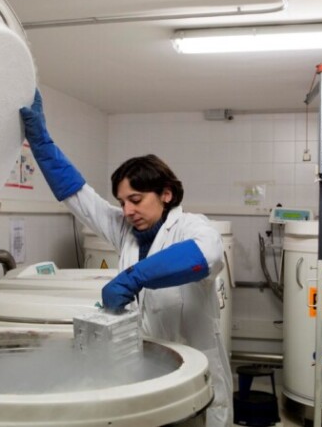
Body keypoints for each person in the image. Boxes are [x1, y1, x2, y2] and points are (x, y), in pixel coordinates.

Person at [20, 89, 233, 426]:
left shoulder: (191, 227)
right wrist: (41, 143)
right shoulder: (125, 229)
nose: (127, 211)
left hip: (193, 372)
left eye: (135, 199)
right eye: (122, 202)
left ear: (166, 194)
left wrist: (133, 277)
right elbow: (78, 195)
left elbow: (207, 255)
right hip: (145, 369)